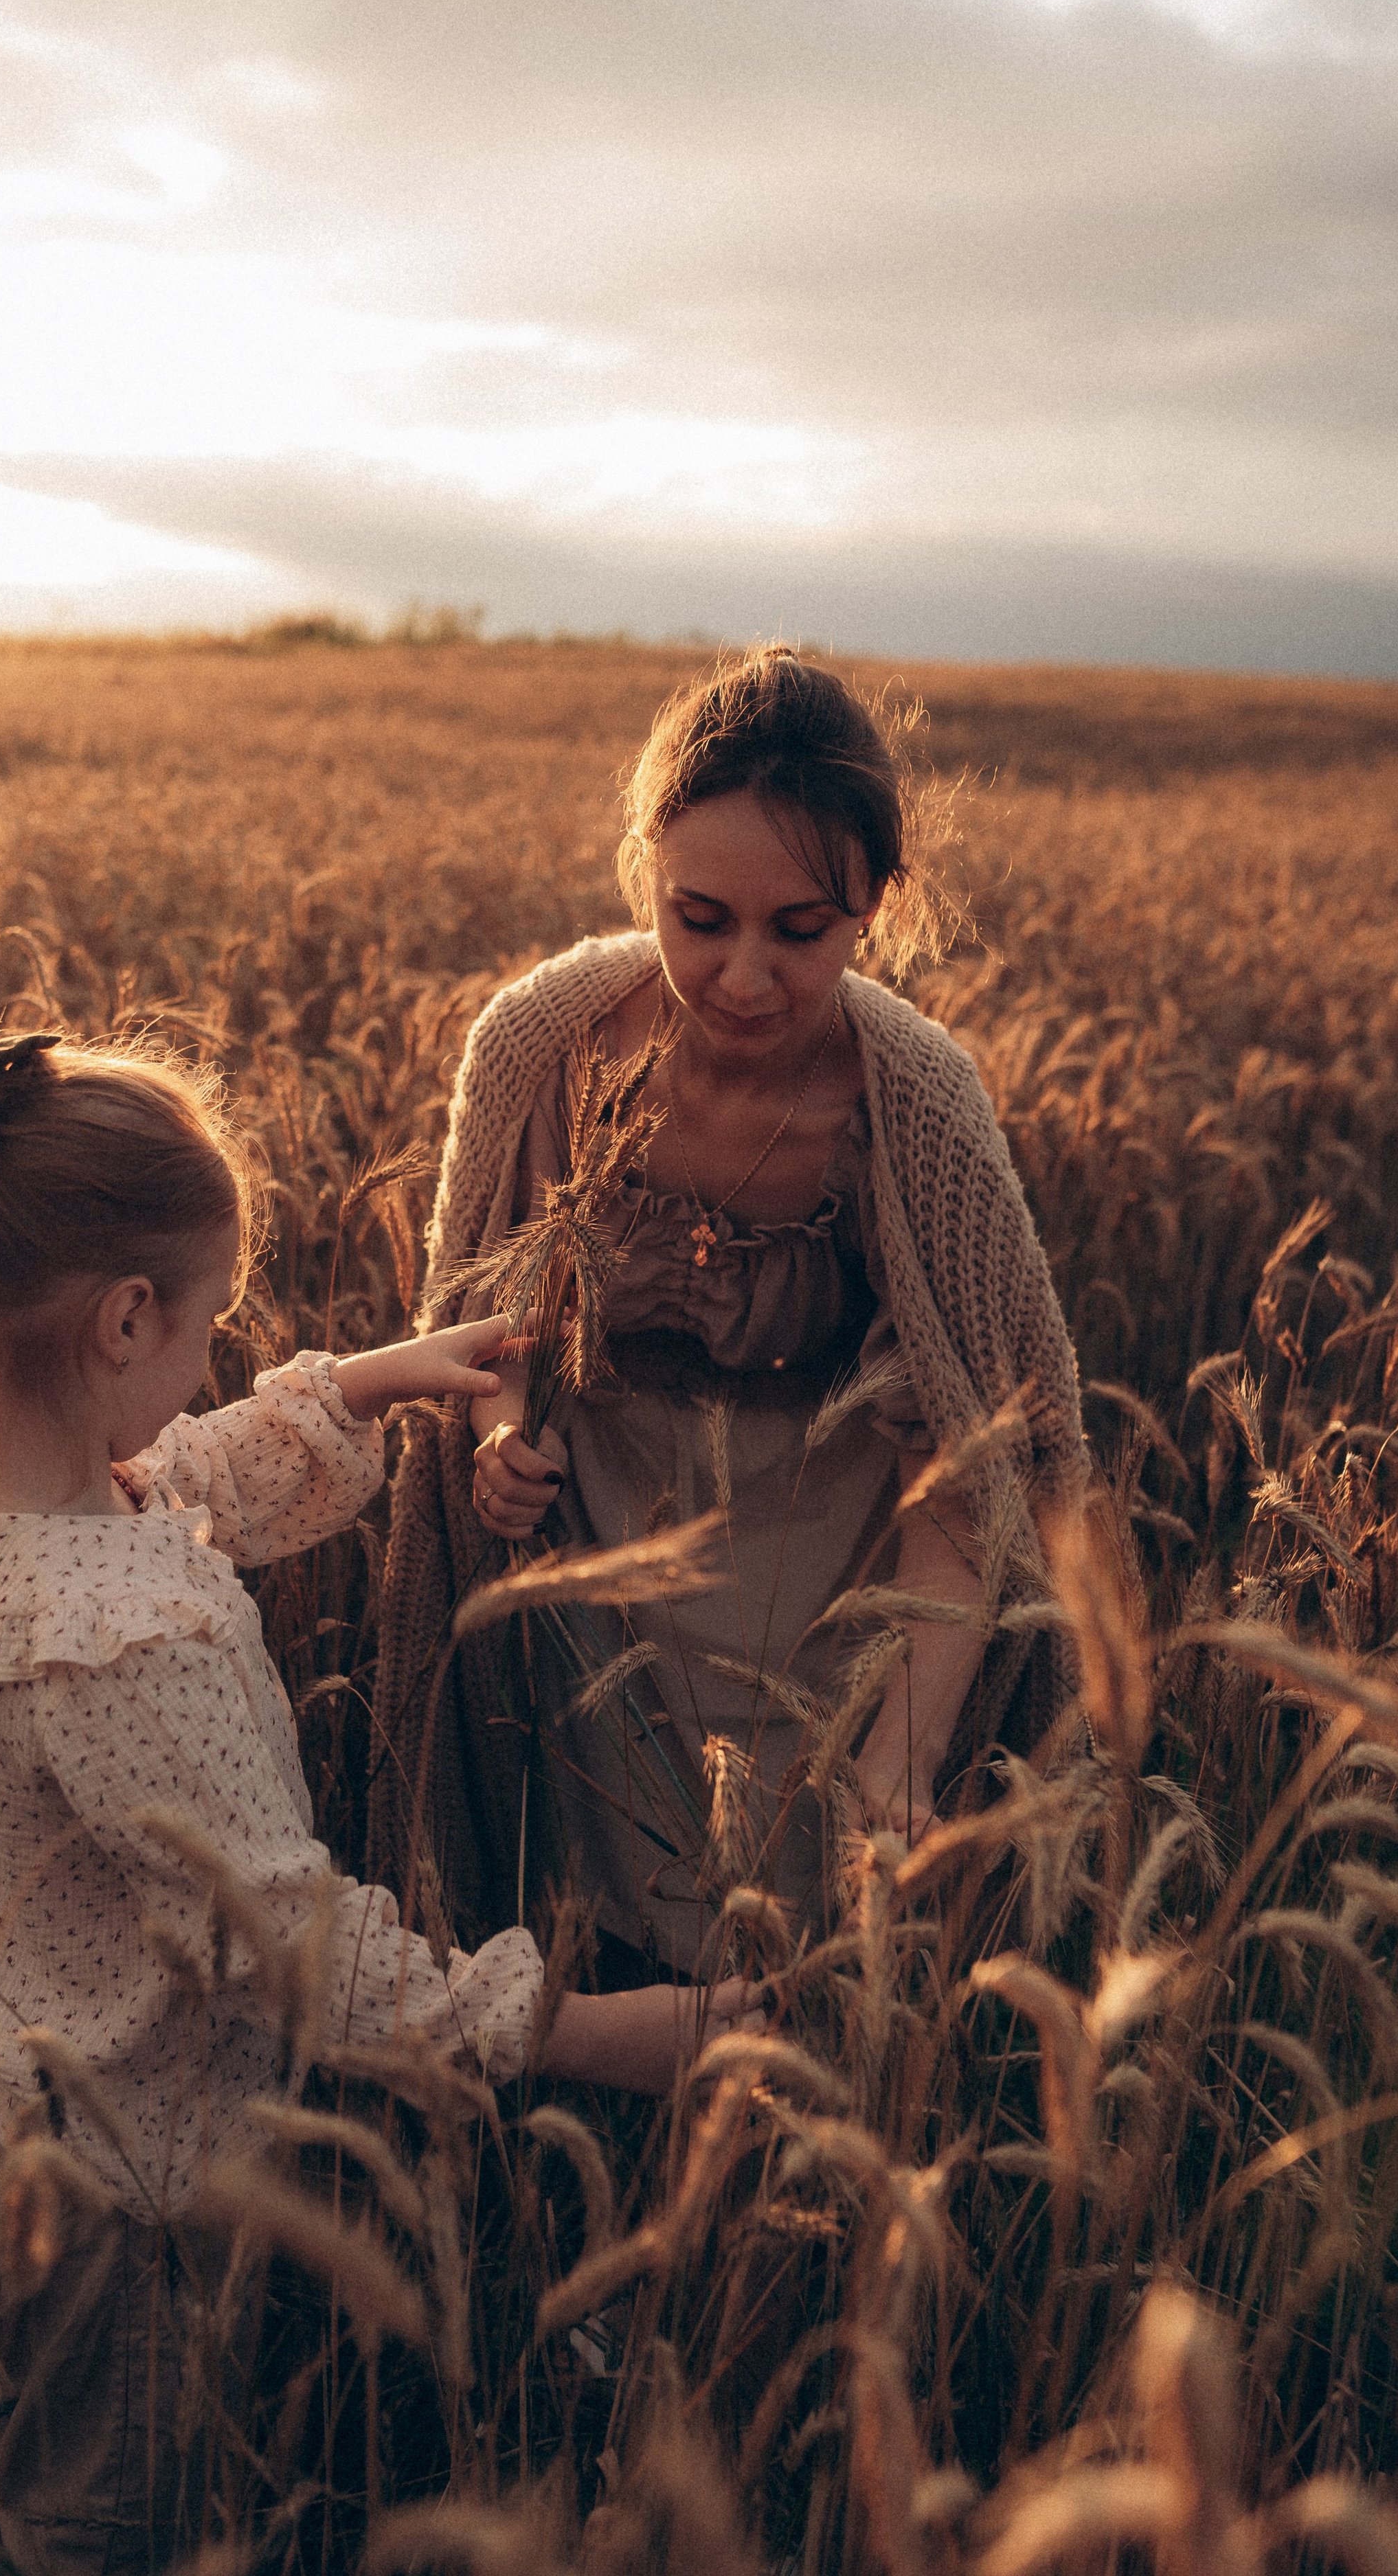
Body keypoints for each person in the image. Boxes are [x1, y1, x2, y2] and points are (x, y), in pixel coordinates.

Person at [0, 1029, 756, 2575]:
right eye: (206, 1318)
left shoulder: (3, 1521)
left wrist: (372, 1382)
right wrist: (591, 2032)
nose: (211, 1355)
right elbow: (289, 1943)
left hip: (38, 2115)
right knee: (105, 2523)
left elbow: (186, 1474)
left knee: (70, 2469)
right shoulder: (113, 1644)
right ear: (124, 1318)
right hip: (119, 2188)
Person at [371, 646, 1086, 1977]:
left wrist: (906, 1745)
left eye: (799, 931)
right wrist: (499, 1436)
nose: (744, 975)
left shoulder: (912, 1101)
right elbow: (484, 1300)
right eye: (699, 919)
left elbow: (977, 1447)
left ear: (874, 902)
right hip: (600, 1535)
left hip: (828, 1563)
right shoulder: (542, 1041)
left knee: (807, 1926)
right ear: (645, 872)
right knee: (584, 1893)